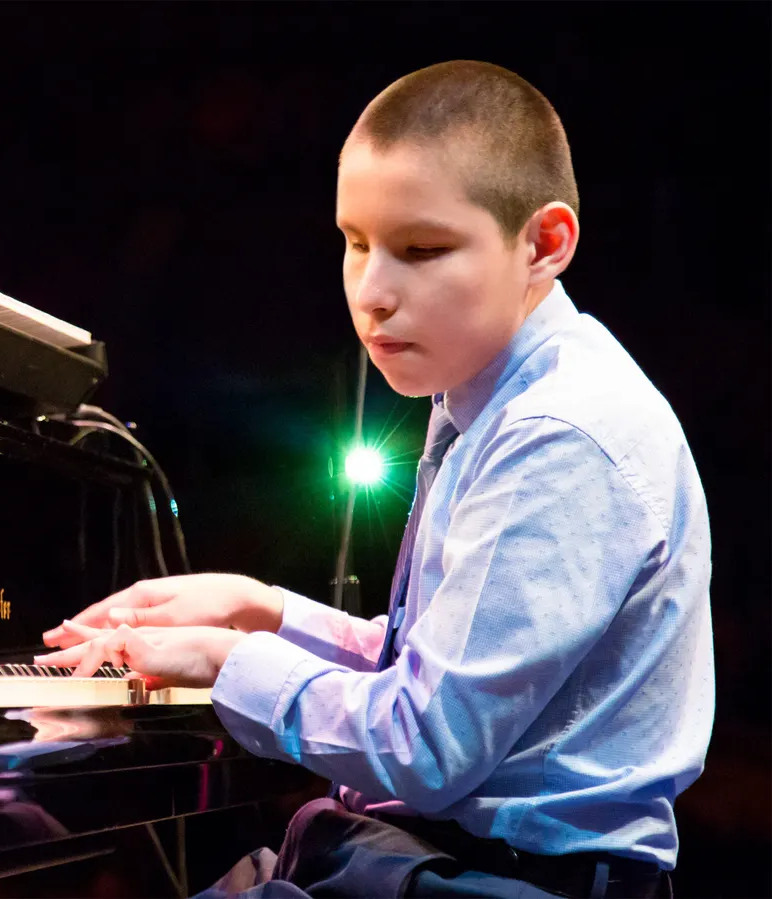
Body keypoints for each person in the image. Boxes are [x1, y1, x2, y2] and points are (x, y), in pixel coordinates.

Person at [36, 60, 713, 898]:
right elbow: (440, 669)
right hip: (440, 861)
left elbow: (427, 746)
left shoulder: (558, 432)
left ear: (544, 243)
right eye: (355, 242)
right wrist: (263, 609)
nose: (373, 293)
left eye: (421, 249)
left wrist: (226, 659)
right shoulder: (492, 386)